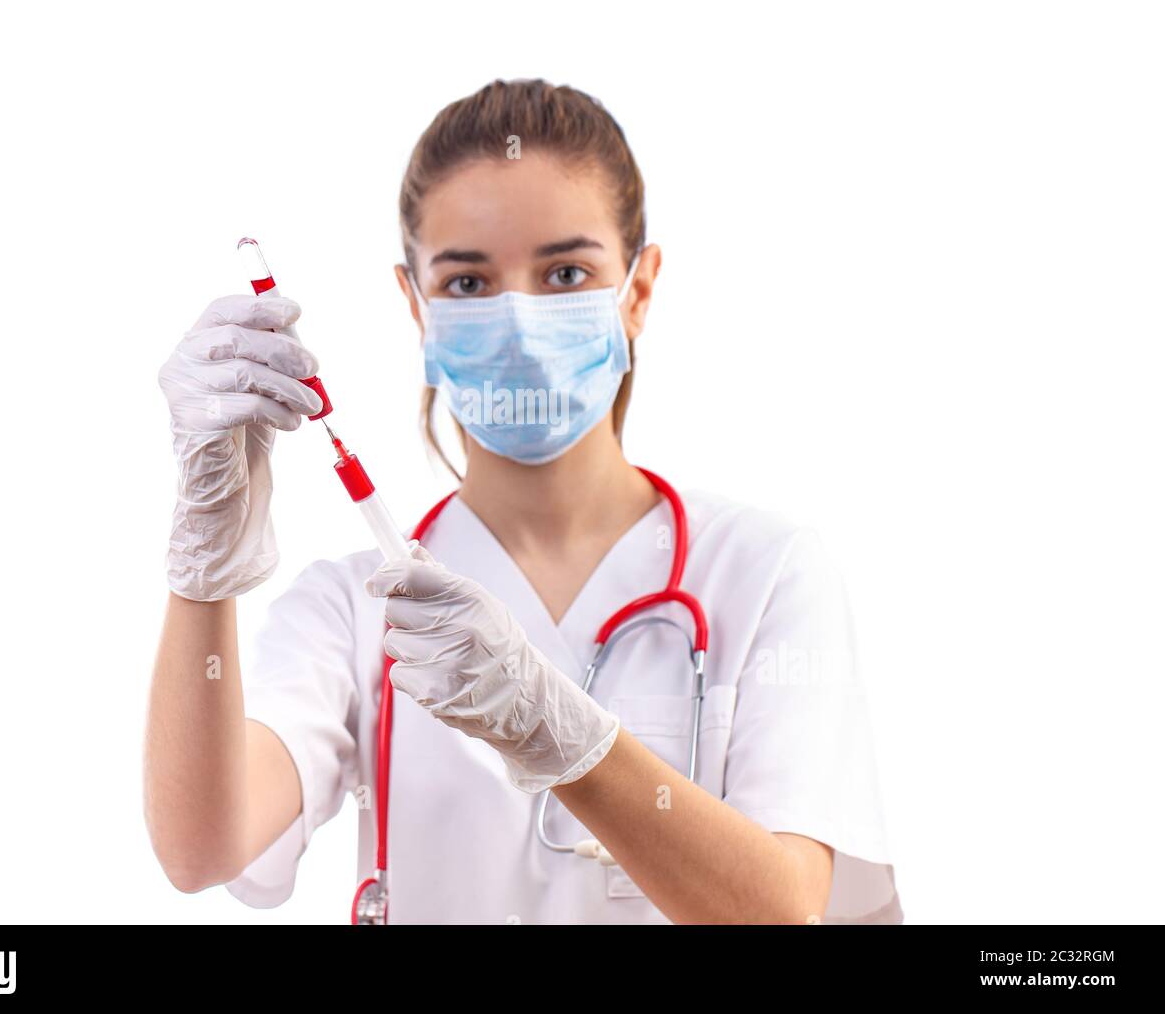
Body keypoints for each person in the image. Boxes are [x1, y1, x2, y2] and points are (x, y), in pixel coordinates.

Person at [144, 78, 902, 924]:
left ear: (638, 289)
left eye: (566, 271)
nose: (518, 318)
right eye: (468, 283)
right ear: (415, 304)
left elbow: (785, 911)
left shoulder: (764, 572)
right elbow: (202, 846)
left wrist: (563, 738)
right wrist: (204, 564)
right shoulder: (354, 605)